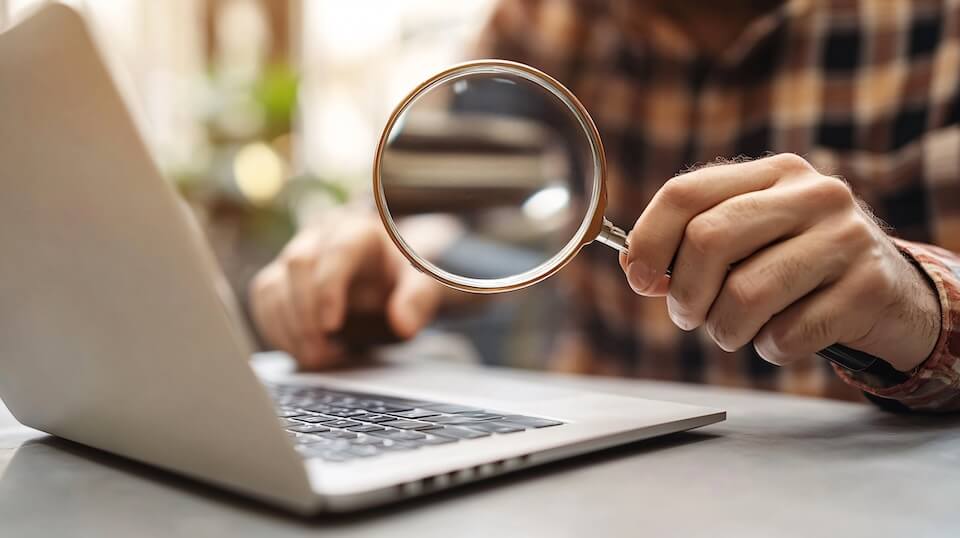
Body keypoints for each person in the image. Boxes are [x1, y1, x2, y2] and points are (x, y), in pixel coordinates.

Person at [250, 0, 960, 412]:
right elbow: (460, 204)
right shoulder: (544, 21)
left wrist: (916, 306)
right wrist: (390, 253)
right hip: (583, 471)